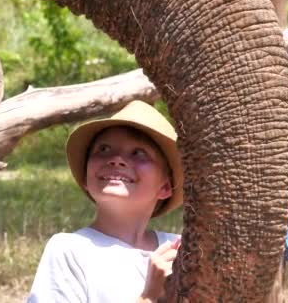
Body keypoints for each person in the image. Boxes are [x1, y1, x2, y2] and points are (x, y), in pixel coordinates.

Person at [27, 100, 184, 303]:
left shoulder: (179, 248)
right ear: (85, 178)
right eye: (104, 149)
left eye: (138, 153)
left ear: (165, 187)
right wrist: (149, 297)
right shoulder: (69, 250)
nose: (116, 159)